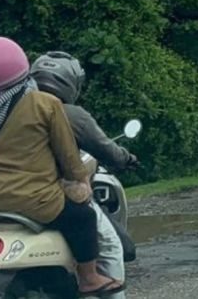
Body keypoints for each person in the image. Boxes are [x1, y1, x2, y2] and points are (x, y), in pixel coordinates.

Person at [0, 37, 123, 296]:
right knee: (83, 217)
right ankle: (89, 278)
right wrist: (81, 183)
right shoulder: (44, 104)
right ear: (21, 64)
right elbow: (69, 157)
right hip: (35, 200)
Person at [30, 51, 139, 298]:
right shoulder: (69, 113)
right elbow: (102, 149)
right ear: (71, 83)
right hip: (49, 192)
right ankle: (97, 284)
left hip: (3, 191)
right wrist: (125, 158)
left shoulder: (13, 111)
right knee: (109, 244)